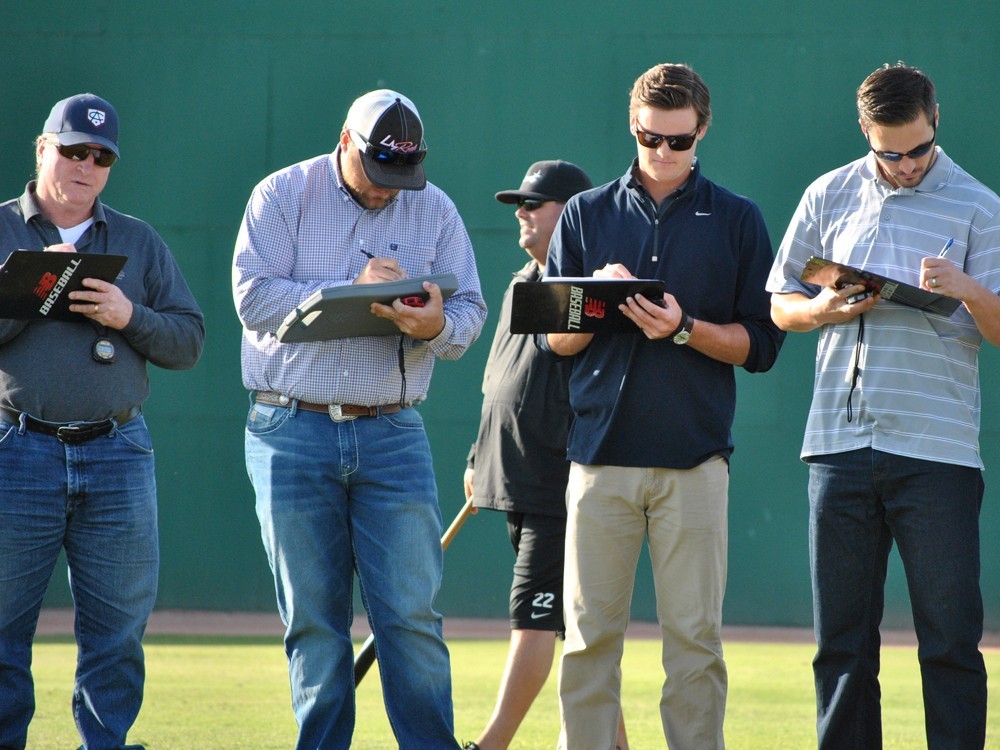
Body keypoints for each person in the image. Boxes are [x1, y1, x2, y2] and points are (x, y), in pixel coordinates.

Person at [232, 88, 487, 750]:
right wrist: (354, 288)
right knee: (314, 622)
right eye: (377, 174)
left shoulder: (434, 208)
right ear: (346, 142)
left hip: (392, 429)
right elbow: (253, 299)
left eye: (399, 177)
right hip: (291, 429)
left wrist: (435, 323)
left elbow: (470, 312)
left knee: (411, 616)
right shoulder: (283, 194)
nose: (385, 192)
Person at [542, 63, 785, 750]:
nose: (663, 153)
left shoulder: (738, 218)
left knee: (695, 648)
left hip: (694, 460)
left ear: (702, 130)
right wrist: (596, 294)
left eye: (678, 141)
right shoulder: (587, 213)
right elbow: (556, 342)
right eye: (651, 137)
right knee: (589, 643)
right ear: (633, 126)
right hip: (599, 459)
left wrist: (682, 328)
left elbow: (762, 345)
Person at [767, 62, 1000, 749]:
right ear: (864, 133)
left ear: (936, 122)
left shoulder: (980, 207)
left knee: (951, 642)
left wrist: (966, 289)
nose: (905, 165)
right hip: (838, 447)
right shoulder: (828, 194)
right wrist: (819, 311)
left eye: (918, 149)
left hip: (939, 453)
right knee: (840, 647)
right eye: (889, 152)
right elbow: (780, 303)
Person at [0, 93, 205, 750]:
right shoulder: (3, 229)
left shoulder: (137, 240)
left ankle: (106, 744)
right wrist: (30, 294)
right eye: (73, 151)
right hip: (17, 445)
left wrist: (128, 315)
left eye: (101, 156)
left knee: (117, 633)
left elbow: (188, 342)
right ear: (42, 151)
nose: (85, 167)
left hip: (116, 450)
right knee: (2, 629)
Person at [461, 161, 630, 750]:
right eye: (520, 202)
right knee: (569, 627)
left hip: (559, 484)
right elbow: (499, 380)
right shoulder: (520, 283)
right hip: (512, 476)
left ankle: (490, 746)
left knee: (535, 620)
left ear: (572, 212)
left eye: (536, 202)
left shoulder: (589, 289)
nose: (522, 212)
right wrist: (478, 458)